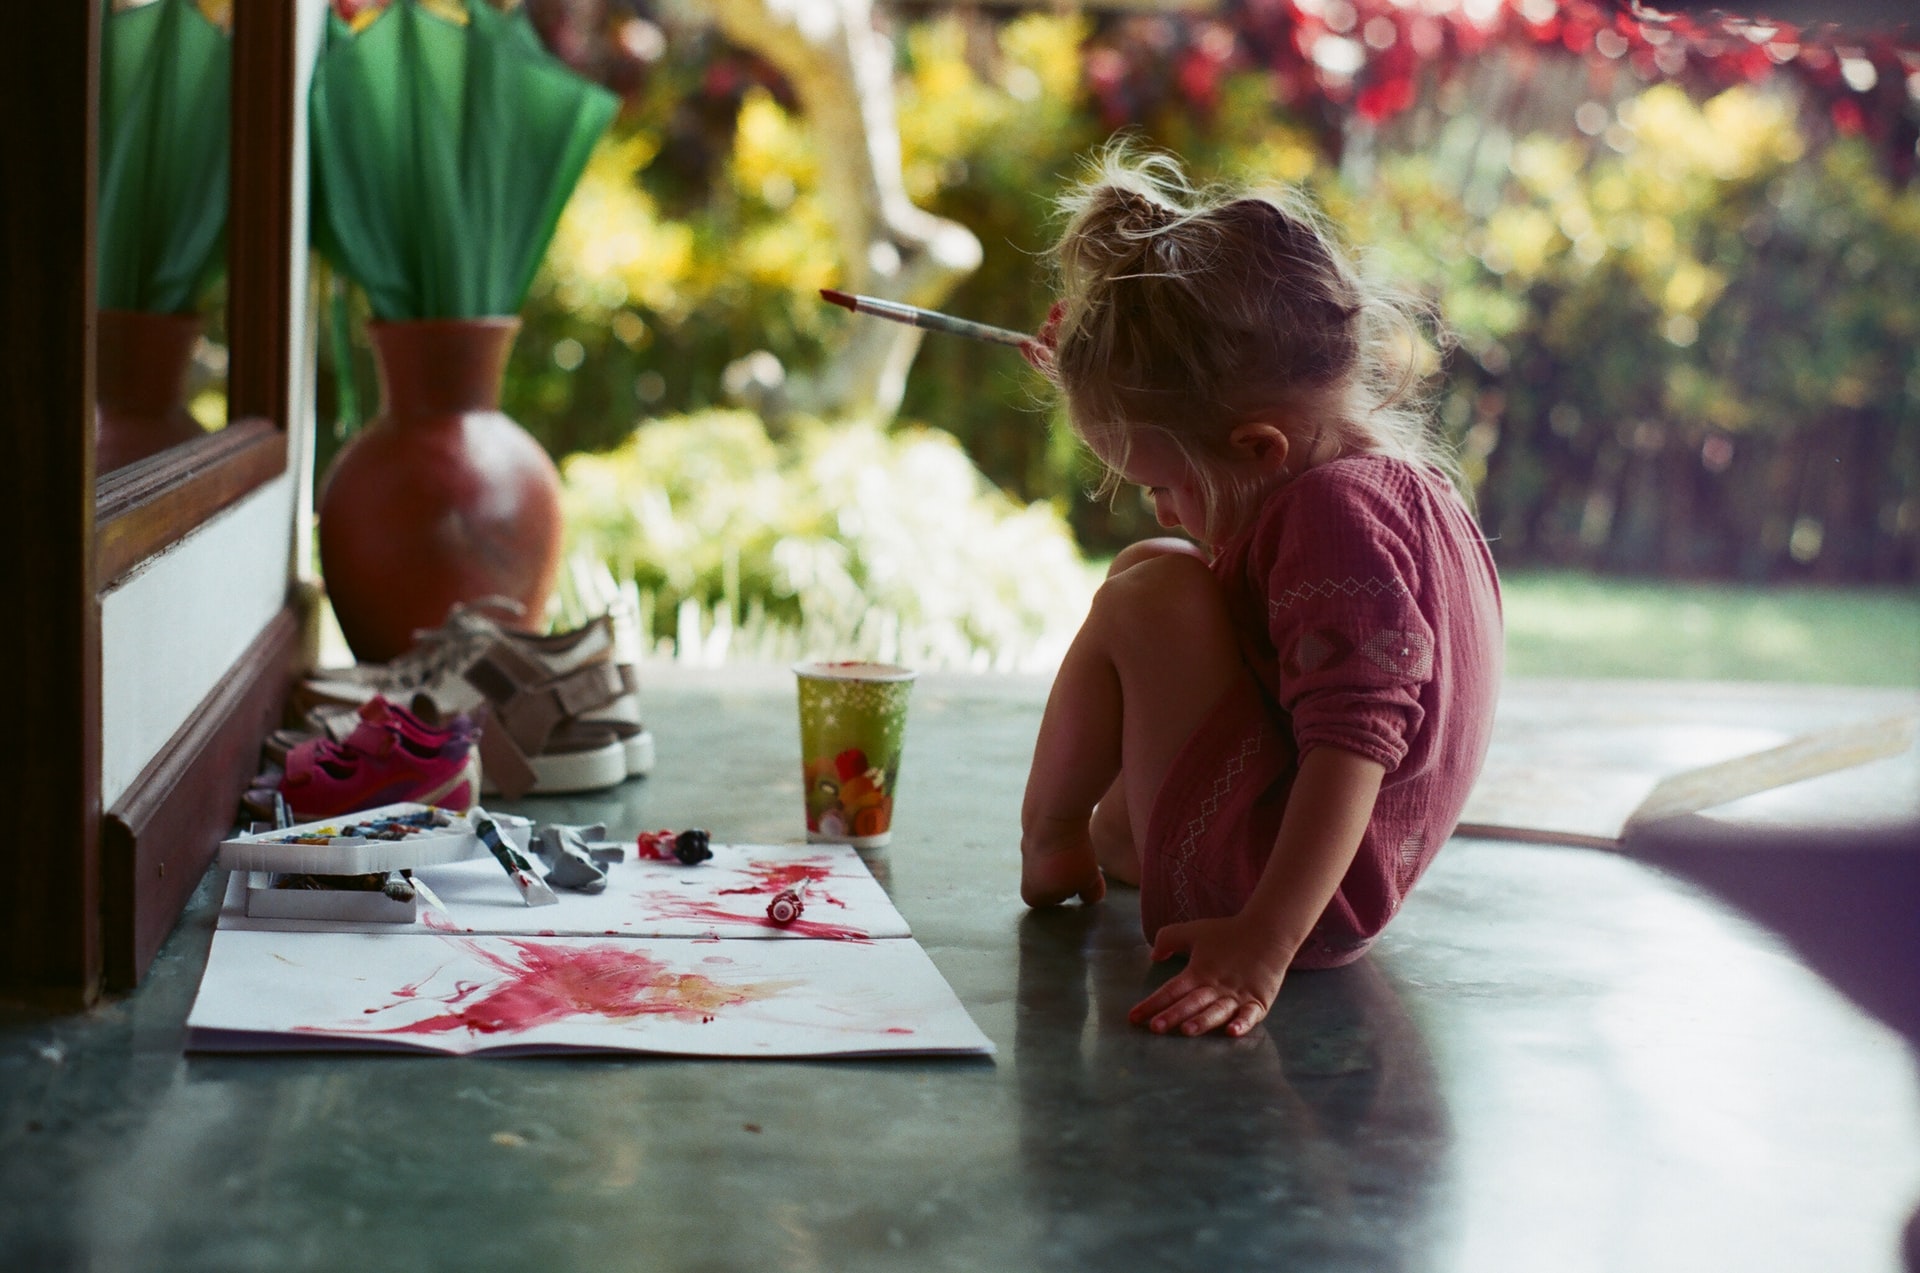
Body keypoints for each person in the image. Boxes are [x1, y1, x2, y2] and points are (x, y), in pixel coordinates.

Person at [1018, 143, 1504, 1039]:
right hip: (1296, 871)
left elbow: (1354, 743)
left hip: (1283, 901)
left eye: (1165, 480)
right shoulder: (1382, 485)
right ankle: (1098, 841)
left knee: (1146, 593)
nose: (1161, 502)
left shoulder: (1332, 517)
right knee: (1155, 562)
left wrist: (1265, 943)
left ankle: (1051, 841)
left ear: (1257, 448)